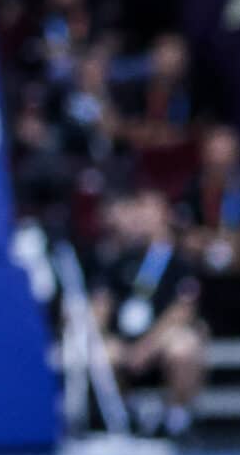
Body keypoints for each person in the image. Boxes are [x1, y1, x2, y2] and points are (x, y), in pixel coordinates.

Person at [88, 183, 207, 438]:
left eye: (150, 210)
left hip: (161, 339)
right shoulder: (120, 258)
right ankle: (122, 415)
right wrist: (100, 332)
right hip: (125, 339)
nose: (143, 217)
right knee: (100, 353)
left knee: (184, 346)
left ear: (165, 215)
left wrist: (146, 347)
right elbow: (102, 303)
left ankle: (176, 419)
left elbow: (183, 311)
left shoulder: (180, 259)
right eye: (139, 209)